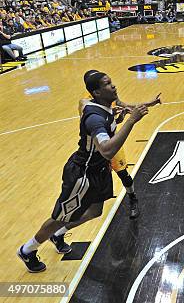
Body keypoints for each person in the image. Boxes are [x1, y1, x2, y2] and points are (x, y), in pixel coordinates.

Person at [17, 72, 149, 272]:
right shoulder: (94, 117)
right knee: (60, 217)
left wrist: (122, 119)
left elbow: (107, 130)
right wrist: (131, 121)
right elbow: (106, 150)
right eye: (107, 84)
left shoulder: (105, 107)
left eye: (112, 82)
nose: (113, 86)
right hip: (83, 174)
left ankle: (58, 234)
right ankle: (27, 250)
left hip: (98, 170)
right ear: (96, 92)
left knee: (95, 211)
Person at [80, 70, 162, 219]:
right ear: (95, 89)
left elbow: (127, 107)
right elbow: (96, 125)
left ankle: (132, 198)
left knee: (123, 174)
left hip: (112, 142)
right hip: (99, 147)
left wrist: (149, 103)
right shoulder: (86, 104)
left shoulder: (108, 97)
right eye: (106, 83)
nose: (112, 86)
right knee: (94, 191)